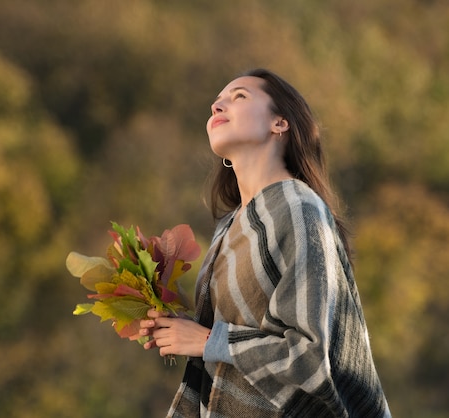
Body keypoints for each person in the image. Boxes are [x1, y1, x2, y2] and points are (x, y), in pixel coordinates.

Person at [138, 68, 391, 417]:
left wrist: (206, 341)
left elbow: (310, 355)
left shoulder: (297, 205)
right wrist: (177, 328)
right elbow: (233, 337)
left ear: (280, 123)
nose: (217, 105)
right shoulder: (230, 226)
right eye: (217, 100)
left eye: (239, 96)